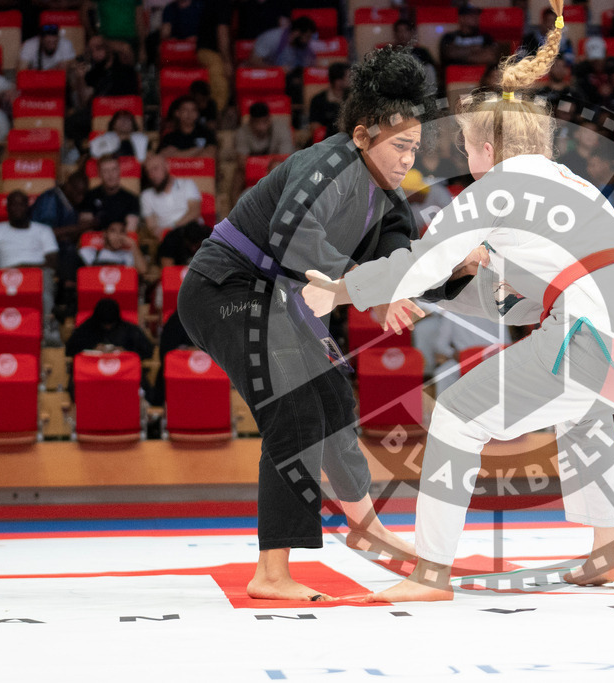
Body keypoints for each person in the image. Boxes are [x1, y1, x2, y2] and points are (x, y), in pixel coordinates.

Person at [303, 0, 614, 602]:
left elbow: (419, 262)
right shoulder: (575, 185)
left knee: (458, 413)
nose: (464, 158)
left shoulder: (493, 189)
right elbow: (519, 299)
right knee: (583, 408)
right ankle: (606, 552)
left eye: (466, 145)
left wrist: (341, 288)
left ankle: (431, 573)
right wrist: (456, 284)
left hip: (599, 335)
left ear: (489, 147)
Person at [175, 47, 467, 602]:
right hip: (225, 289)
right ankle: (271, 571)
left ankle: (366, 526)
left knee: (334, 398)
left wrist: (408, 283)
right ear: (361, 135)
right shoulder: (325, 165)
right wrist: (366, 289)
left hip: (278, 299)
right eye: (399, 146)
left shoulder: (387, 196)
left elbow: (397, 255)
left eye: (414, 148)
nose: (408, 160)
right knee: (295, 407)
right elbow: (295, 239)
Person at [0, 191, 58, 271]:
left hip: (38, 274)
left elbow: (53, 262)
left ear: (28, 207)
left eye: (21, 205)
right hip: (5, 278)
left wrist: (24, 268)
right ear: (7, 208)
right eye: (14, 205)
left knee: (47, 273)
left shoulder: (44, 230)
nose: (18, 208)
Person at [140, 154, 202, 241]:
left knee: (194, 230)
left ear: (167, 167)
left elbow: (194, 212)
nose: (152, 175)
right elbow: (151, 226)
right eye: (149, 171)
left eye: (155, 168)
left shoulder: (187, 184)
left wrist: (172, 228)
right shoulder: (146, 196)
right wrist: (156, 231)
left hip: (190, 230)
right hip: (168, 238)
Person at [80, 155, 141, 233]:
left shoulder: (132, 199)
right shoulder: (89, 196)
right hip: (95, 241)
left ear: (119, 171)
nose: (110, 175)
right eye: (105, 171)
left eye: (114, 170)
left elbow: (130, 230)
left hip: (121, 241)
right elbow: (86, 229)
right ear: (99, 174)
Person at [79, 220, 151, 279]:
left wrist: (134, 245)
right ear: (105, 234)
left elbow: (143, 271)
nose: (118, 236)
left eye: (122, 231)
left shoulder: (128, 255)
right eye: (113, 231)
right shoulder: (89, 253)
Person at [308, 63, 350, 142]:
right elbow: (315, 126)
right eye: (348, 77)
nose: (352, 80)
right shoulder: (318, 100)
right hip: (328, 140)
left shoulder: (352, 98)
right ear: (338, 81)